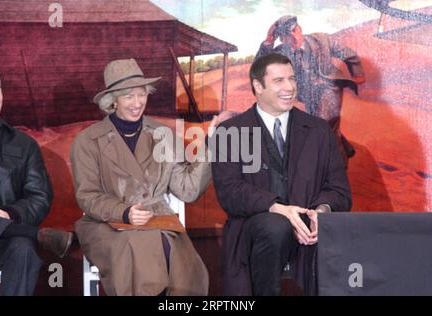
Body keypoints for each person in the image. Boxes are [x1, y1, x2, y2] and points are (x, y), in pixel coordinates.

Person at [70, 58, 220, 296]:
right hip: (108, 225)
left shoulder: (163, 135)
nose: (137, 103)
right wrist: (124, 212)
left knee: (178, 263)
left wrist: (212, 143)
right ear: (113, 100)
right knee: (141, 248)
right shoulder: (88, 141)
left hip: (159, 221)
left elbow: (188, 189)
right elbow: (87, 196)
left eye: (142, 94)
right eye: (128, 96)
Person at [210, 53, 352, 296]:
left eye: (292, 79)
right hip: (253, 230)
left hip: (311, 233)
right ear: (258, 86)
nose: (290, 87)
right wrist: (277, 208)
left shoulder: (319, 130)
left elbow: (339, 191)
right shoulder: (230, 131)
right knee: (275, 226)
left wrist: (322, 211)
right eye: (279, 81)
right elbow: (230, 192)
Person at [0, 63, 74, 296]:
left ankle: (25, 235)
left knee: (24, 250)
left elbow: (39, 196)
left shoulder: (23, 145)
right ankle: (38, 235)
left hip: (8, 239)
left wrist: (11, 214)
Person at [256, 15, 366, 165]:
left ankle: (335, 167)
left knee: (320, 124)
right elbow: (258, 68)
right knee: (328, 129)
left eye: (294, 31)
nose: (293, 37)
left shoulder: (321, 40)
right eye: (287, 36)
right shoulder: (281, 52)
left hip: (329, 88)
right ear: (281, 39)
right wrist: (268, 41)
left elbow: (348, 53)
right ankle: (342, 153)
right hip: (308, 95)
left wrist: (357, 73)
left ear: (299, 29)